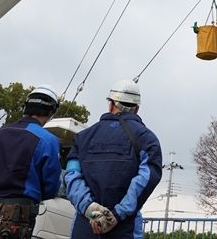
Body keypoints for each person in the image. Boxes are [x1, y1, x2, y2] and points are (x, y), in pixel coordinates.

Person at [65, 79, 162, 239]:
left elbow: (71, 176)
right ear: (136, 109)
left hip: (84, 228)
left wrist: (92, 210)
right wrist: (115, 216)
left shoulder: (82, 138)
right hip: (125, 229)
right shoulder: (147, 139)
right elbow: (145, 180)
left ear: (110, 104)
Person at [0, 85, 62, 235]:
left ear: (25, 108)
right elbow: (51, 187)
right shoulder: (48, 140)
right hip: (19, 215)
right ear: (50, 112)